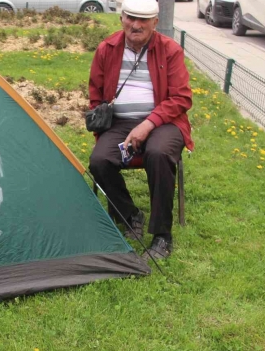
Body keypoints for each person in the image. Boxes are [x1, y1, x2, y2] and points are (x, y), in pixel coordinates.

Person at [88, 0, 193, 260]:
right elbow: (95, 94)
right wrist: (103, 124)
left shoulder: (170, 50)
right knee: (99, 160)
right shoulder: (107, 49)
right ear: (121, 18)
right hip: (120, 123)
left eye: (143, 20)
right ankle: (130, 214)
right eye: (130, 17)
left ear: (155, 23)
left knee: (158, 153)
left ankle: (161, 236)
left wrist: (148, 123)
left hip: (163, 122)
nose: (135, 25)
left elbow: (181, 98)